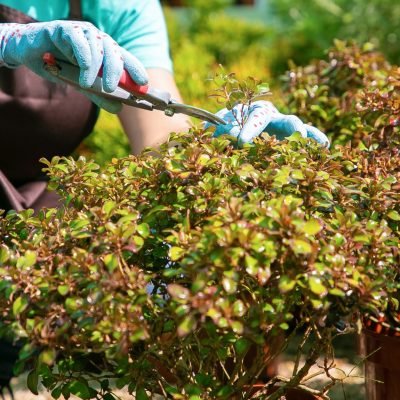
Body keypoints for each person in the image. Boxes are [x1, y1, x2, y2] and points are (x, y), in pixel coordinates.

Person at [0, 0, 328, 395]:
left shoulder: (118, 6)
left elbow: (159, 139)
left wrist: (215, 147)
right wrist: (10, 41)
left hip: (27, 213)